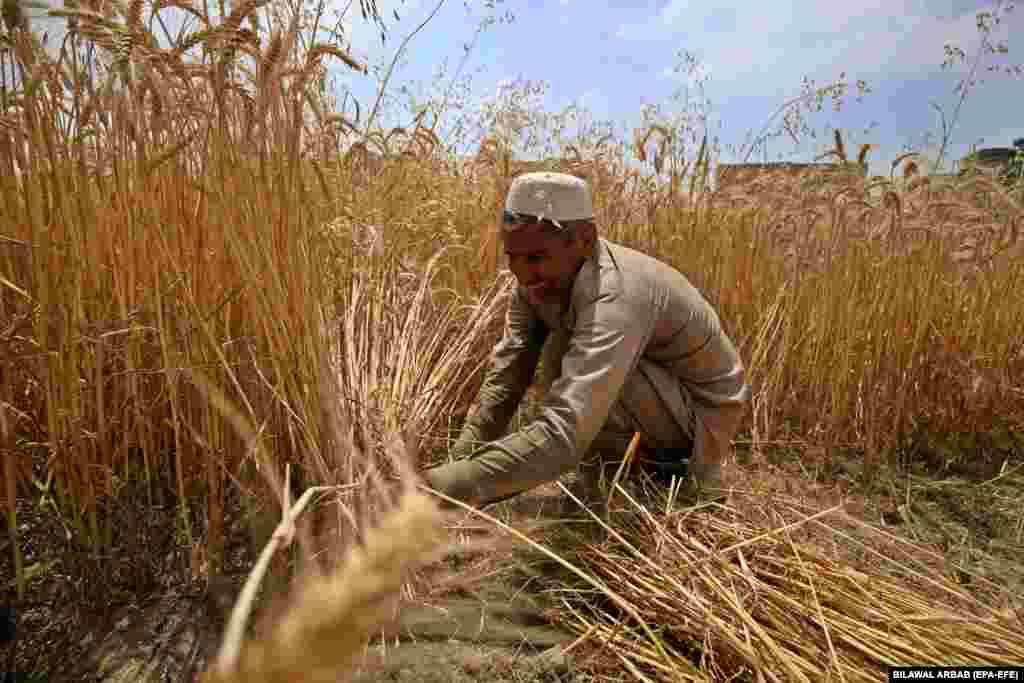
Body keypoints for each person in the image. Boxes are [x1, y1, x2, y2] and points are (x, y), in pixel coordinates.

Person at [421, 172, 749, 512]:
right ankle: (608, 484)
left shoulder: (617, 294)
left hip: (698, 418)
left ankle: (674, 482)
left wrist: (436, 490)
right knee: (563, 354)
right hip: (650, 403)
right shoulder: (535, 284)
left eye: (535, 258)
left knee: (569, 357)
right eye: (512, 257)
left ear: (585, 239)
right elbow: (507, 377)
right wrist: (454, 465)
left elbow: (566, 432)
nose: (521, 273)